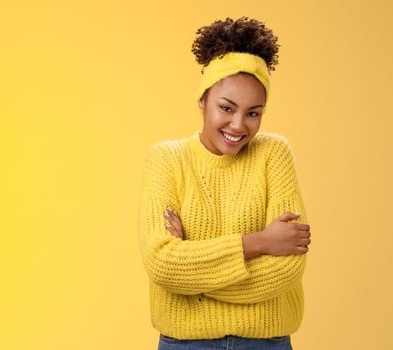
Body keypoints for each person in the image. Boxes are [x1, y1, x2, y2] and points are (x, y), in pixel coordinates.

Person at [137, 17, 312, 350]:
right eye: (226, 108)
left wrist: (192, 274)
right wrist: (259, 242)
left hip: (267, 344)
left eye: (253, 113)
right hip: (186, 344)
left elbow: (286, 269)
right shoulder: (166, 159)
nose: (238, 124)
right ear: (202, 100)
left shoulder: (274, 154)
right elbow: (162, 264)